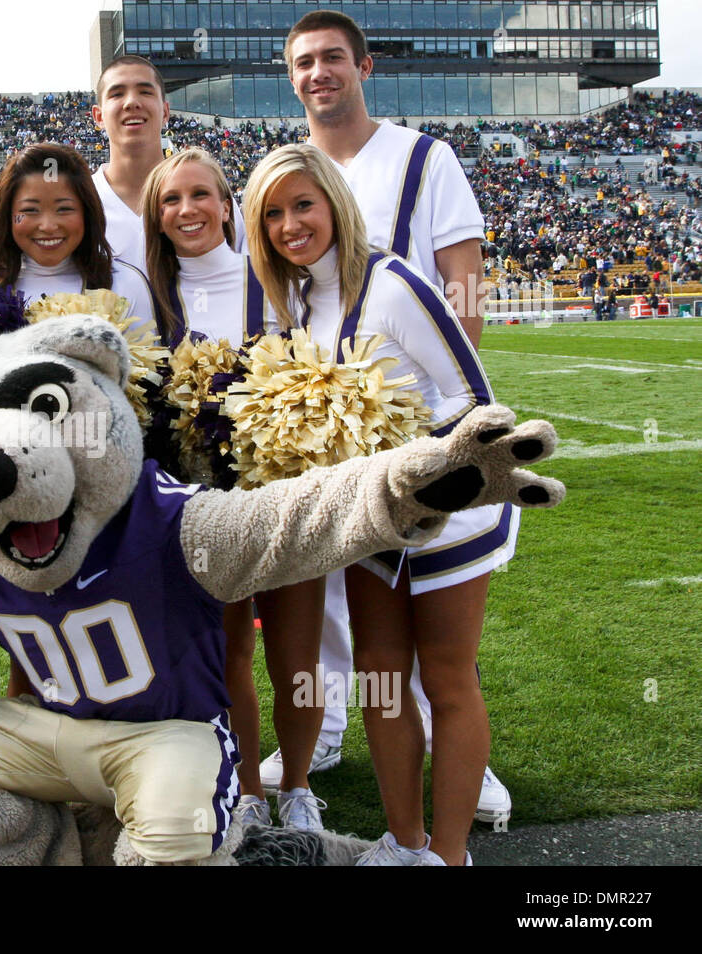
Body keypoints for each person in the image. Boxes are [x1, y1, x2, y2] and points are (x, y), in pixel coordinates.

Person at [276, 8, 512, 826]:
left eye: (333, 59)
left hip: (423, 422)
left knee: (435, 635)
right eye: (304, 63)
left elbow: (463, 277)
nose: (318, 74)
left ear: (364, 67)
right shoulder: (292, 173)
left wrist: (456, 395)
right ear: (291, 75)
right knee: (360, 616)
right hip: (344, 443)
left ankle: (460, 781)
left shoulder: (423, 156)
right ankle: (338, 737)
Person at [244, 143, 500, 865]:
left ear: (333, 202)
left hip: (450, 511)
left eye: (303, 204)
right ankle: (404, 842)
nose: (292, 224)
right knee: (381, 681)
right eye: (273, 214)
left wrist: (426, 477)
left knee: (447, 681)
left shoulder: (393, 281)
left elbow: (470, 395)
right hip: (370, 520)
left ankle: (449, 855)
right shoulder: (297, 300)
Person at [141, 147, 273, 825]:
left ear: (227, 204)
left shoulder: (268, 281)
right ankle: (182, 786)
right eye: (171, 199)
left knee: (238, 649)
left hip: (247, 500)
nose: (187, 209)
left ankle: (256, 793)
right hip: (165, 504)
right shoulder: (144, 292)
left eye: (200, 195)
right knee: (174, 650)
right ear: (156, 215)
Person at [0, 143, 154, 328]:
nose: (48, 226)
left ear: (88, 213)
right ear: (7, 215)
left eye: (64, 209)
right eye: (31, 210)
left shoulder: (126, 285)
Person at [91, 55, 246, 275]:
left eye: (145, 92)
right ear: (98, 116)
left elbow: (243, 280)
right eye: (117, 94)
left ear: (165, 111)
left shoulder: (210, 195)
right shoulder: (82, 201)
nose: (132, 102)